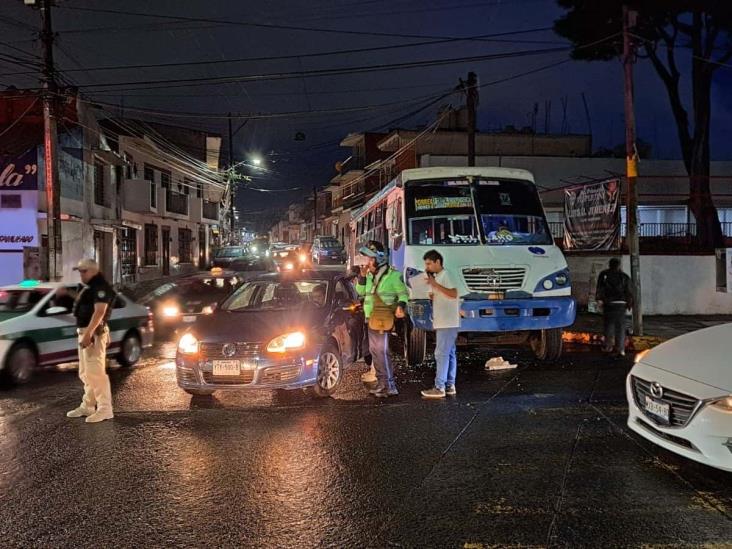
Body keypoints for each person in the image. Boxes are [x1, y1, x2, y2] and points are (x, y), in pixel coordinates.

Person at [355, 241, 409, 398]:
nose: (366, 261)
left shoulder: (393, 275)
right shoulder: (370, 276)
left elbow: (404, 294)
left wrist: (400, 306)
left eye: (369, 258)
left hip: (383, 319)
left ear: (378, 259)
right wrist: (362, 277)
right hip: (371, 318)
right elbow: (360, 291)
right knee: (375, 352)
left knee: (381, 352)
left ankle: (389, 385)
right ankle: (382, 383)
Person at [66, 259, 116, 423]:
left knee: (96, 373)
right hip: (87, 332)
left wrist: (88, 334)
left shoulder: (100, 287)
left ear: (94, 271)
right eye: (80, 271)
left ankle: (105, 409)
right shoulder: (92, 287)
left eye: (84, 271)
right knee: (86, 373)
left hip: (92, 334)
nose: (81, 274)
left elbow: (100, 312)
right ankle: (88, 406)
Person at [420, 250, 461, 399]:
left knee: (441, 354)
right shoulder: (439, 277)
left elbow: (454, 293)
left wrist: (435, 285)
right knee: (449, 353)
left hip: (447, 321)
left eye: (429, 263)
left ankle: (439, 387)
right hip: (445, 320)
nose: (428, 267)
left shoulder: (446, 275)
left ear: (438, 262)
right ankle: (450, 385)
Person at [596, 257, 633, 357]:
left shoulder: (604, 275)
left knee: (608, 326)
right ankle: (620, 349)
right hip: (621, 304)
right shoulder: (624, 276)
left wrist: (599, 300)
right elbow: (629, 291)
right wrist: (629, 304)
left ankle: (608, 346)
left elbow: (600, 288)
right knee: (620, 327)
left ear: (610, 265)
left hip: (609, 303)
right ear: (619, 265)